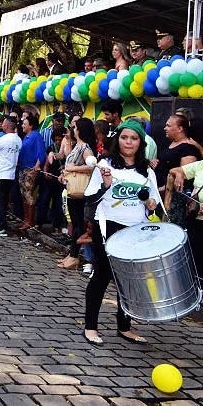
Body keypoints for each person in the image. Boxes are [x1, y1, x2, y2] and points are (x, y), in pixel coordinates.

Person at [83, 121, 159, 346]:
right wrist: (106, 185)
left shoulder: (146, 171)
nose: (129, 142)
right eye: (125, 137)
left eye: (134, 139)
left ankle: (124, 327)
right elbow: (90, 199)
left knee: (129, 279)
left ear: (140, 143)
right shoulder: (105, 165)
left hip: (135, 230)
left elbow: (152, 204)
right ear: (118, 140)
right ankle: (90, 327)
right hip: (108, 227)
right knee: (103, 275)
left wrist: (150, 202)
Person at [58, 118, 96, 269]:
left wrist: (72, 169)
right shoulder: (77, 146)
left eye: (75, 128)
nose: (73, 130)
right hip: (72, 189)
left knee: (79, 224)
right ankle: (71, 254)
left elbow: (92, 167)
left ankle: (74, 256)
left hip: (80, 191)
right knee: (75, 222)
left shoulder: (85, 148)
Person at [154, 113, 200, 225]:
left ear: (179, 128)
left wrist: (159, 191)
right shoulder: (172, 144)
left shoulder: (188, 148)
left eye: (168, 126)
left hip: (173, 202)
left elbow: (183, 179)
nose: (165, 128)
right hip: (159, 198)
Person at [0, 116, 21, 236]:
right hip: (10, 175)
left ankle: (1, 227)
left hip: (0, 173)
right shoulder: (18, 140)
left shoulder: (4, 139)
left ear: (6, 125)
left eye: (3, 123)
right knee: (4, 201)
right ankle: (0, 225)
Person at [17, 114, 45, 229]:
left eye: (25, 124)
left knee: (28, 194)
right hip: (23, 168)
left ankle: (30, 221)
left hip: (31, 168)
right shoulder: (26, 136)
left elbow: (41, 152)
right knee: (23, 194)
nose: (23, 125)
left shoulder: (36, 135)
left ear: (31, 125)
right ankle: (26, 219)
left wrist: (37, 166)